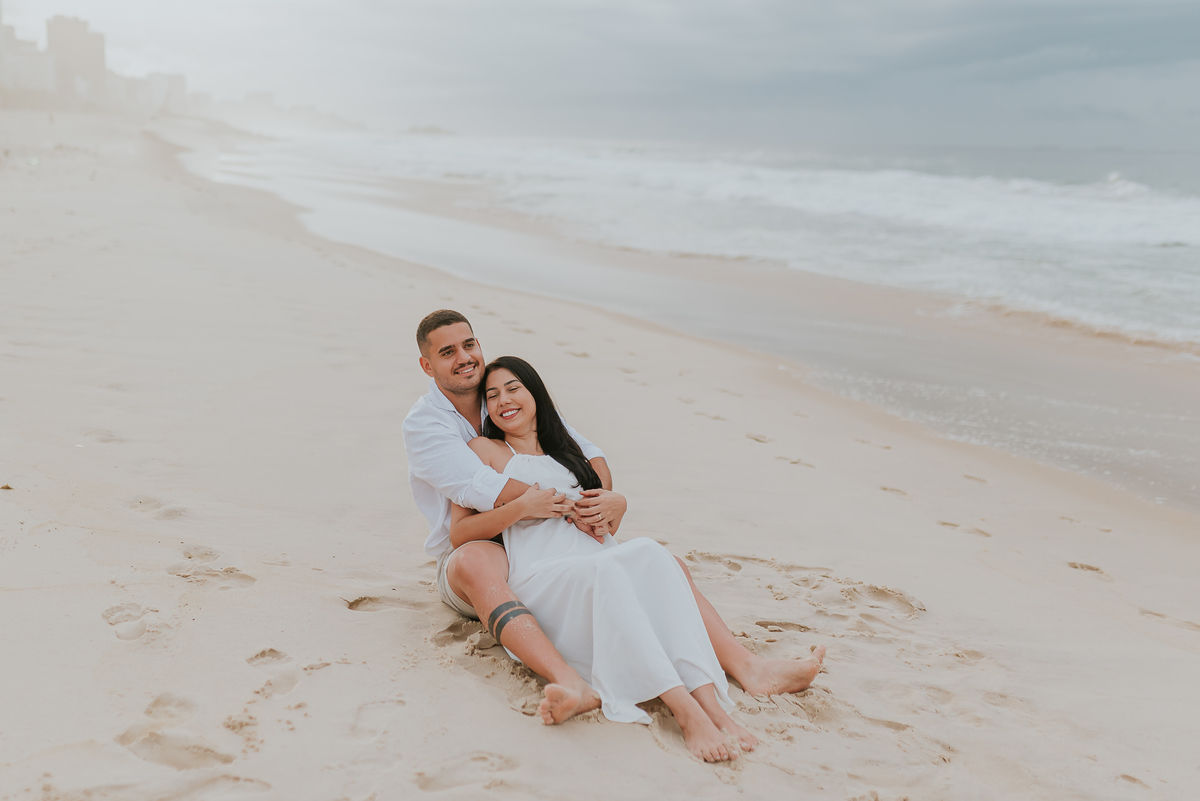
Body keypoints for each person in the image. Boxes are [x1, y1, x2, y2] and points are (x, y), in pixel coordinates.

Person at [401, 310, 825, 731]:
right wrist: (557, 505)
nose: (464, 357)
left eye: (469, 344)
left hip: (561, 541)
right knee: (480, 559)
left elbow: (586, 457)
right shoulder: (431, 425)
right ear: (427, 365)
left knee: (665, 565)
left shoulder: (512, 400)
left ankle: (748, 666)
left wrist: (609, 501)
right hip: (476, 551)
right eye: (447, 351)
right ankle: (569, 681)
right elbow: (477, 488)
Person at [451, 355, 756, 761]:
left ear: (535, 393)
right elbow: (461, 533)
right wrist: (523, 507)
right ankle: (686, 712)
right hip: (545, 573)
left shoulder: (572, 450)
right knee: (610, 571)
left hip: (596, 556)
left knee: (653, 554)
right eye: (491, 396)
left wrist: (611, 507)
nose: (504, 400)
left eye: (513, 389)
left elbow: (606, 523)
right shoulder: (483, 449)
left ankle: (715, 710)